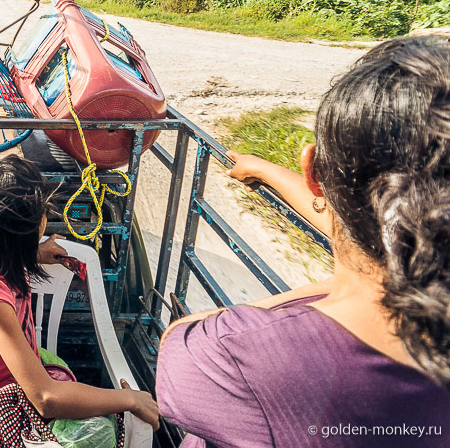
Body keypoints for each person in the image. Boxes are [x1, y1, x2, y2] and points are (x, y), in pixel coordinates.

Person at [156, 34, 450, 447]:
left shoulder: (234, 358)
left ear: (312, 171)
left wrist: (337, 287)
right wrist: (268, 171)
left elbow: (180, 338)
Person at [0, 155, 160, 437]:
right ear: (20, 236)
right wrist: (129, 399)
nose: (45, 220)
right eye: (41, 215)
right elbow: (46, 399)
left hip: (18, 387)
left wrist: (36, 252)